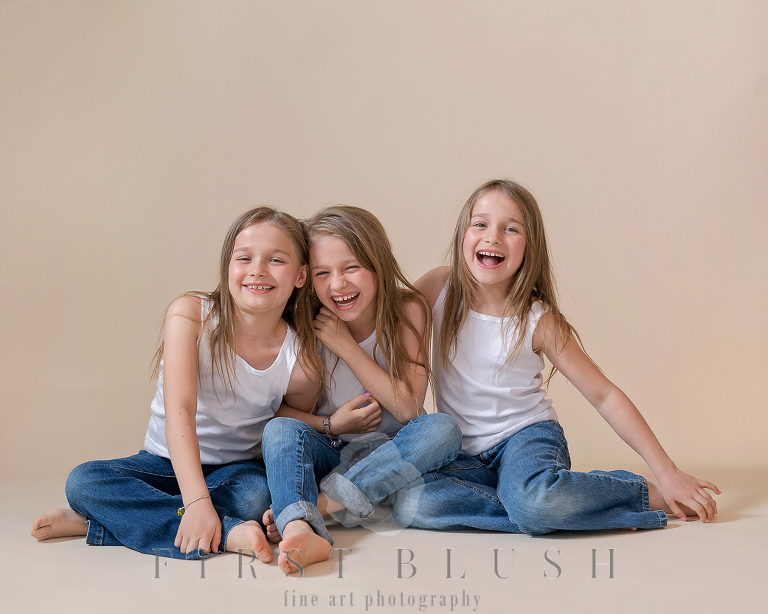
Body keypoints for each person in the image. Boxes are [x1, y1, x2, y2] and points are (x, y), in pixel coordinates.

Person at [393, 179, 720, 534]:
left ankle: (638, 493)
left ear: (529, 248)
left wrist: (666, 471)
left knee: (535, 501)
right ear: (462, 236)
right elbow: (382, 319)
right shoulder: (438, 288)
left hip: (526, 439)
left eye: (511, 229)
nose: (493, 237)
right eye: (480, 224)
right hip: (464, 456)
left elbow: (605, 395)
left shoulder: (537, 319)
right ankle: (537, 503)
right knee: (413, 503)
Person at [31, 207, 321, 560]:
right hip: (167, 462)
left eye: (276, 260)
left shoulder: (300, 359)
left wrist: (332, 425)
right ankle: (227, 533)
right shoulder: (191, 314)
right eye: (244, 258)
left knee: (256, 498)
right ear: (228, 268)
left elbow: (285, 421)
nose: (257, 269)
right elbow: (179, 411)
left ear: (301, 276)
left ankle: (100, 523)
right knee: (83, 482)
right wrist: (197, 501)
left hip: (236, 470)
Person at [261, 205, 461, 573]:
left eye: (351, 267)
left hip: (392, 454)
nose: (337, 284)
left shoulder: (407, 310)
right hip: (331, 450)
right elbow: (279, 414)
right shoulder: (304, 323)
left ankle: (316, 508)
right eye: (323, 273)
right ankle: (300, 529)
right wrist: (331, 425)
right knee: (279, 432)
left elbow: (408, 409)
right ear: (307, 277)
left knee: (442, 429)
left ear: (377, 264)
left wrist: (347, 347)